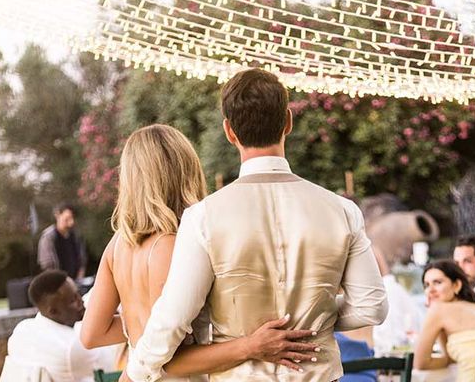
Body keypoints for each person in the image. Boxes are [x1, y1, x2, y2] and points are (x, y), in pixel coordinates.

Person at [124, 69, 388, 382]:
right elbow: (372, 308)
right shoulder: (342, 210)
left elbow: (171, 321)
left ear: (229, 131)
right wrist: (314, 319)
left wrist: (135, 373)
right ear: (288, 122)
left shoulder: (203, 217)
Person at [81, 124, 320, 380]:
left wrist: (139, 324)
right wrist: (250, 346)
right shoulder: (171, 245)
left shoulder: (117, 245)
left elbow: (92, 333)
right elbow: (170, 360)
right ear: (186, 170)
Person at [1, 270, 116, 382]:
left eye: (78, 294)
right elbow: (115, 363)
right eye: (73, 300)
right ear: (53, 311)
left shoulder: (22, 330)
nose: (81, 301)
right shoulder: (71, 348)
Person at [413, 260, 475, 382]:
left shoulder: (438, 310)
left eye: (437, 282)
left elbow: (420, 363)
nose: (430, 290)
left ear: (456, 285)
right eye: (426, 285)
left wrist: (446, 361)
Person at [38, 203, 87, 279]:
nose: (71, 222)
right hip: (57, 282)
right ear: (58, 215)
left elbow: (82, 259)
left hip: (76, 280)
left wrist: (80, 277)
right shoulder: (48, 236)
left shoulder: (75, 236)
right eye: (67, 218)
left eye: (72, 218)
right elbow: (47, 264)